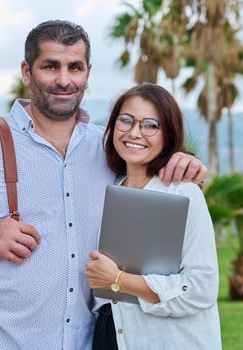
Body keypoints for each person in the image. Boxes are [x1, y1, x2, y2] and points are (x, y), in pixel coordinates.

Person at [0, 21, 207, 350]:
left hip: (83, 340)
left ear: (88, 73)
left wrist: (182, 160)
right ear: (27, 72)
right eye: (51, 66)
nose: (64, 80)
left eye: (75, 67)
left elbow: (151, 164)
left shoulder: (111, 147)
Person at [85, 83, 221, 350]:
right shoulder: (107, 188)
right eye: (126, 120)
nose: (135, 132)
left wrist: (118, 280)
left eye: (150, 125)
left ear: (167, 134)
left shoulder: (183, 193)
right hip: (109, 335)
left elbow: (201, 288)